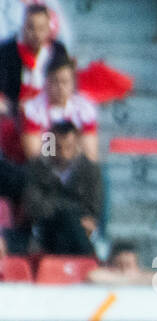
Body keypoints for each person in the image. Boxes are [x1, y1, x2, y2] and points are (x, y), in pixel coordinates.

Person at [23, 119, 98, 255]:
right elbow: (34, 206)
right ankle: (88, 259)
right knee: (67, 218)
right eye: (58, 147)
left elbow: (93, 207)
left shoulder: (90, 170)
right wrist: (69, 209)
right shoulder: (37, 168)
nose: (63, 153)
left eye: (68, 147)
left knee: (72, 225)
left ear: (77, 144)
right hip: (47, 228)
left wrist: (57, 205)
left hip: (80, 229)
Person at [20, 50, 97, 161]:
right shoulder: (33, 109)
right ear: (46, 82)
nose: (60, 87)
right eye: (55, 81)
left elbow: (91, 154)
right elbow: (34, 156)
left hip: (75, 167)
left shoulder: (84, 109)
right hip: (46, 168)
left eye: (65, 82)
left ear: (73, 83)